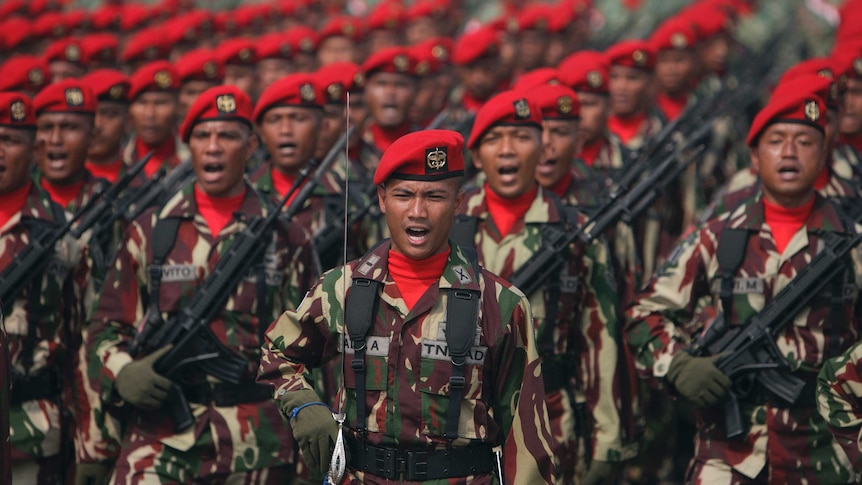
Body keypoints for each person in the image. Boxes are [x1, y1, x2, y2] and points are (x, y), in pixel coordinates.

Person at [258, 129, 556, 484]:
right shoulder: (341, 288)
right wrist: (304, 404)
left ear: (458, 203)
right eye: (403, 195)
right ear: (382, 200)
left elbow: (527, 434)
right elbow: (278, 353)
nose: (417, 211)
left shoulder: (500, 303)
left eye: (434, 196)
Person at [86, 85, 319, 484]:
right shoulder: (150, 232)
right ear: (188, 145)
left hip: (257, 442)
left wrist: (311, 442)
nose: (213, 147)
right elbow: (105, 329)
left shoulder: (286, 237)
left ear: (250, 147)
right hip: (160, 438)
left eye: (227, 136)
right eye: (202, 136)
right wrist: (123, 372)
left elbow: (314, 345)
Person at [626, 90, 860, 483]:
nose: (789, 153)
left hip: (824, 455)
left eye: (804, 142)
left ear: (824, 156)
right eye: (776, 141)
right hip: (726, 455)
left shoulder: (849, 242)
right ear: (754, 157)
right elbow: (644, 313)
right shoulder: (720, 234)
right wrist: (678, 365)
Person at [453, 90, 633, 484]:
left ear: (541, 148)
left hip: (550, 419)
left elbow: (600, 338)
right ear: (476, 154)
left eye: (521, 138)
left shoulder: (576, 232)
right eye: (494, 139)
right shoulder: (446, 226)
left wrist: (607, 438)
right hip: (456, 420)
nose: (507, 151)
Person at [0, 91, 87, 484]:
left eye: (9, 140)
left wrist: (90, 441)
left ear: (34, 148)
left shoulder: (62, 235)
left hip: (32, 431)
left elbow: (82, 341)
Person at [33, 79, 107, 214]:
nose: (55, 140)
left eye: (69, 128)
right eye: (46, 127)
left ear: (92, 137)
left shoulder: (110, 203)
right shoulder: (16, 201)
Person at [123, 61, 189, 180]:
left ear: (178, 107)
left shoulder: (191, 159)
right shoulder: (119, 157)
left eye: (160, 103)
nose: (150, 114)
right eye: (142, 103)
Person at [82, 69, 132, 184]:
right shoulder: (48, 184)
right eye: (91, 115)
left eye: (109, 114)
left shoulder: (140, 184)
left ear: (128, 122)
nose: (97, 125)